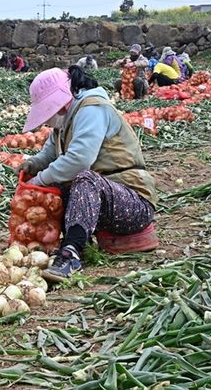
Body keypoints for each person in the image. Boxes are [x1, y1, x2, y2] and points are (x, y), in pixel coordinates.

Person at [18, 66, 157, 282]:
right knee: (59, 187)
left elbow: (79, 160)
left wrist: (41, 179)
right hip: (103, 202)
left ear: (62, 103)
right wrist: (32, 166)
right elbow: (49, 154)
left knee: (84, 178)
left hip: (133, 202)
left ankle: (71, 253)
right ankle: (57, 244)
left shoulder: (92, 109)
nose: (46, 120)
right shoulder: (64, 122)